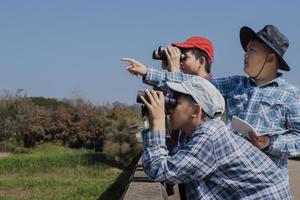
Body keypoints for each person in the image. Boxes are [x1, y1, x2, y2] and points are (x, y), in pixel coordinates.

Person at [123, 25, 300, 179]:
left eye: (252, 50)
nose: (245, 55)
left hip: (265, 179)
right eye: (246, 50)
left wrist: (269, 142)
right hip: (232, 176)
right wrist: (147, 72)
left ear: (270, 58)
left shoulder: (290, 94)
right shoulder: (236, 84)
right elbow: (193, 84)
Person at [140, 76, 291, 200]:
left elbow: (158, 169)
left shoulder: (210, 136)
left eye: (175, 102)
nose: (169, 108)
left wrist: (157, 124)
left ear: (196, 110)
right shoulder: (201, 133)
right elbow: (175, 163)